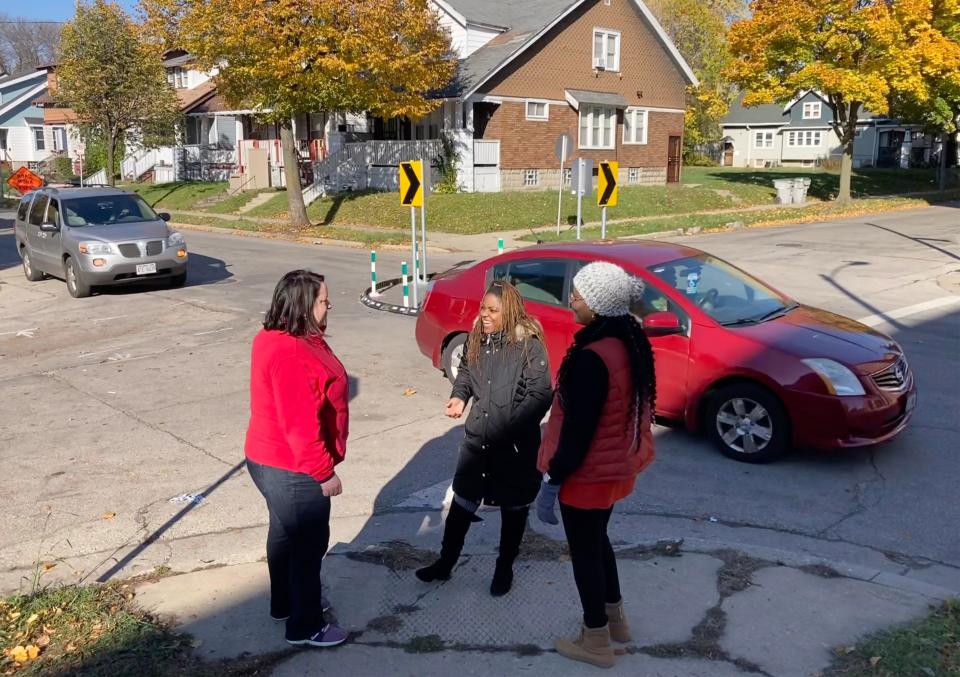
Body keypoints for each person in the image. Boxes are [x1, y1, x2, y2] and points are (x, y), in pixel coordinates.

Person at [535, 261, 657, 669]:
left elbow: (578, 432)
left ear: (601, 304)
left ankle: (595, 640)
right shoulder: (626, 342)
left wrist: (553, 479)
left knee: (584, 554)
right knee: (598, 543)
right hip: (612, 471)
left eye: (579, 294)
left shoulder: (591, 357)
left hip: (587, 475)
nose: (571, 298)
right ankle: (616, 621)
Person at [416, 280, 553, 596]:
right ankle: (445, 564)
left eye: (494, 310)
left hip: (515, 446)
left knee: (513, 511)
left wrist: (511, 427)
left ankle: (504, 569)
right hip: (479, 440)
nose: (486, 315)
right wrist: (459, 396)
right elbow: (465, 372)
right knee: (463, 502)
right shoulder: (478, 337)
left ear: (510, 313)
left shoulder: (529, 345)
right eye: (483, 308)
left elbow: (540, 394)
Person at [244, 270, 349, 648]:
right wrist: (324, 474)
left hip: (268, 460)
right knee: (308, 546)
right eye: (323, 300)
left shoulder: (276, 335)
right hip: (293, 468)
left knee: (284, 536)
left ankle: (284, 603)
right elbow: (300, 427)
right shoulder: (293, 353)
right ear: (305, 306)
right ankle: (306, 626)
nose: (329, 306)